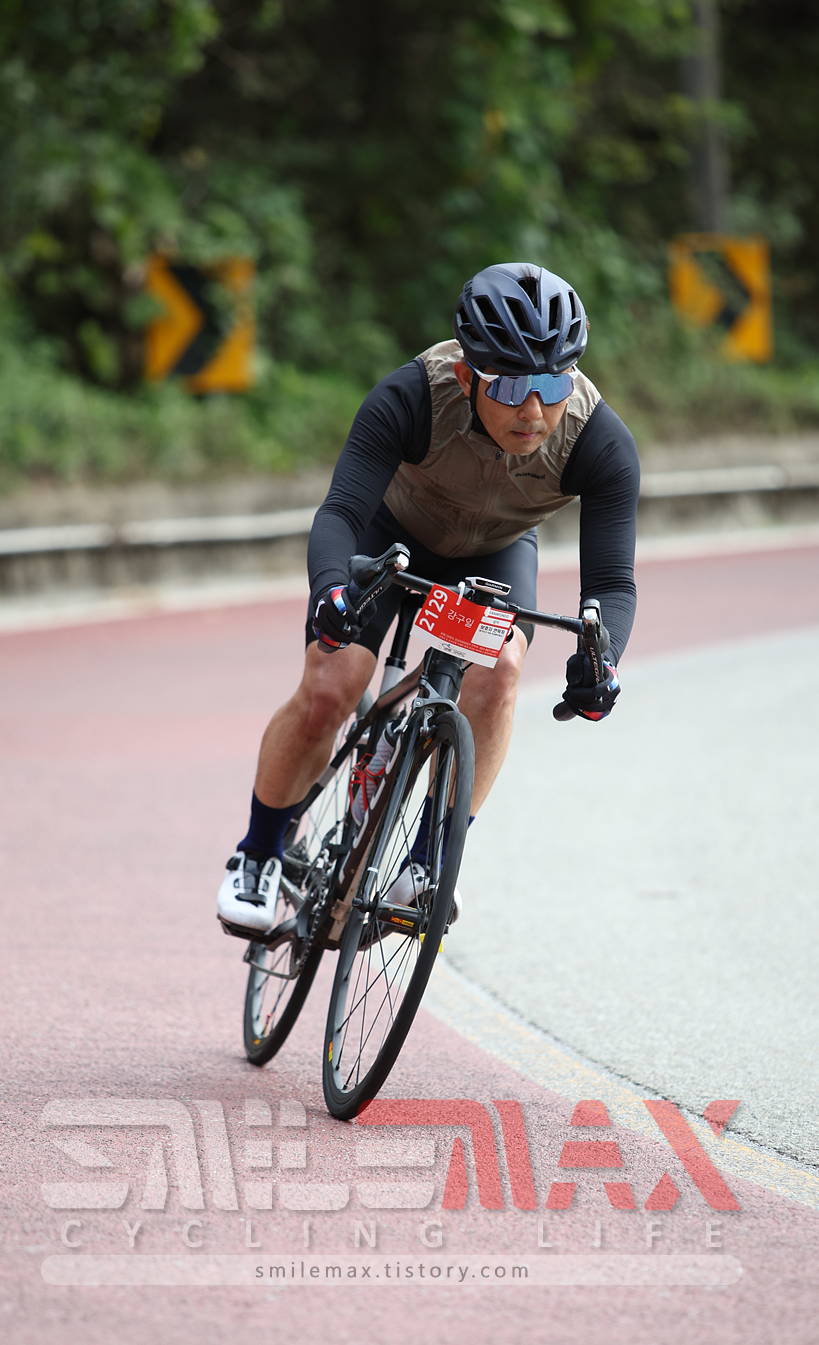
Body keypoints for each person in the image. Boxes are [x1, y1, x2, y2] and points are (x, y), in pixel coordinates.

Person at [217, 262, 641, 934]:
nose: (534, 412)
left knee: (500, 668)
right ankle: (259, 853)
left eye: (553, 385)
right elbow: (340, 513)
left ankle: (427, 863)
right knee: (332, 684)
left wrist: (602, 659)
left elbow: (611, 586)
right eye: (510, 386)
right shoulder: (414, 395)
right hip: (390, 537)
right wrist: (330, 592)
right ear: (468, 375)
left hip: (496, 552)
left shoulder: (599, 440)